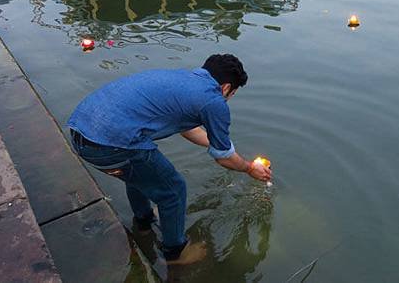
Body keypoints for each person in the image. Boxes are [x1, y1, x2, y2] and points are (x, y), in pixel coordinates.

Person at [67, 54, 271, 265]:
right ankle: (175, 253)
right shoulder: (214, 101)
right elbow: (224, 159)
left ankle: (144, 222)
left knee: (137, 174)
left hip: (81, 131)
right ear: (227, 88)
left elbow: (188, 129)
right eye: (232, 94)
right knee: (174, 190)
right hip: (109, 146)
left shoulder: (183, 80)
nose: (228, 98)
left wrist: (220, 144)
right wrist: (248, 168)